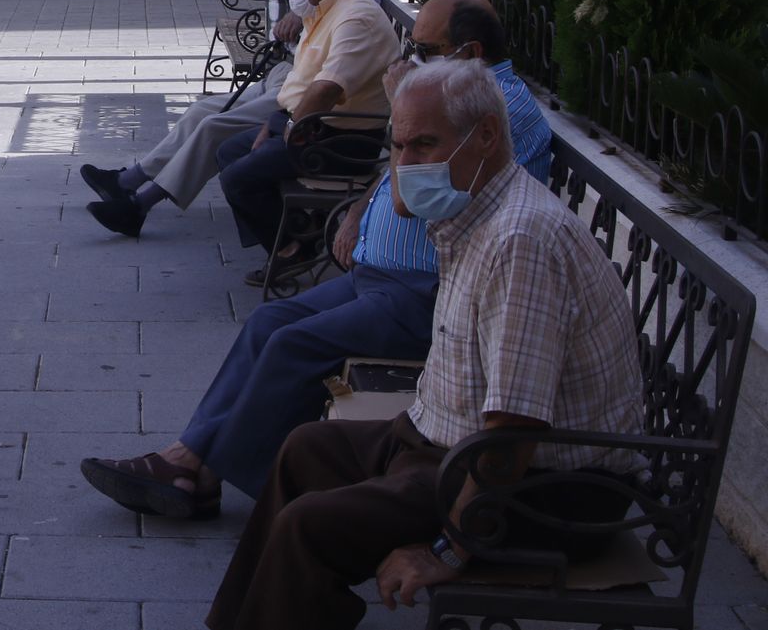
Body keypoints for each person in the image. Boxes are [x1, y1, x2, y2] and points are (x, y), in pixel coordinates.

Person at [204, 59, 642, 630]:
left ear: (485, 136)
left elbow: (514, 432)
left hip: (544, 492)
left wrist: (447, 551)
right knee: (304, 449)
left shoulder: (520, 242)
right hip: (446, 440)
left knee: (309, 525)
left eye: (424, 146)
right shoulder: (474, 212)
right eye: (398, 146)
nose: (403, 165)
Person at [78, 0, 552, 518]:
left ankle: (201, 469)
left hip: (430, 293)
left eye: (424, 47)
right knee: (270, 321)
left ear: (469, 50)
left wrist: (399, 110)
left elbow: (428, 205)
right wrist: (355, 212)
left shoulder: (497, 111)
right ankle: (192, 463)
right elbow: (400, 173)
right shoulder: (456, 89)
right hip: (381, 275)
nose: (410, 56)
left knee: (293, 344)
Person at [81, 0, 383, 240]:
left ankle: (141, 205)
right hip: (292, 82)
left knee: (218, 134)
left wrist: (282, 125)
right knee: (204, 114)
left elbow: (325, 86)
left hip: (320, 120)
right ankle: (129, 184)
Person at [211, 0, 400, 256]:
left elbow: (327, 88)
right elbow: (301, 83)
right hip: (313, 127)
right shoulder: (326, 7)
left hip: (342, 140)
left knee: (237, 179)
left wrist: (285, 133)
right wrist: (273, 123)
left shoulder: (356, 17)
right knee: (229, 151)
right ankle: (296, 231)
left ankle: (291, 250)